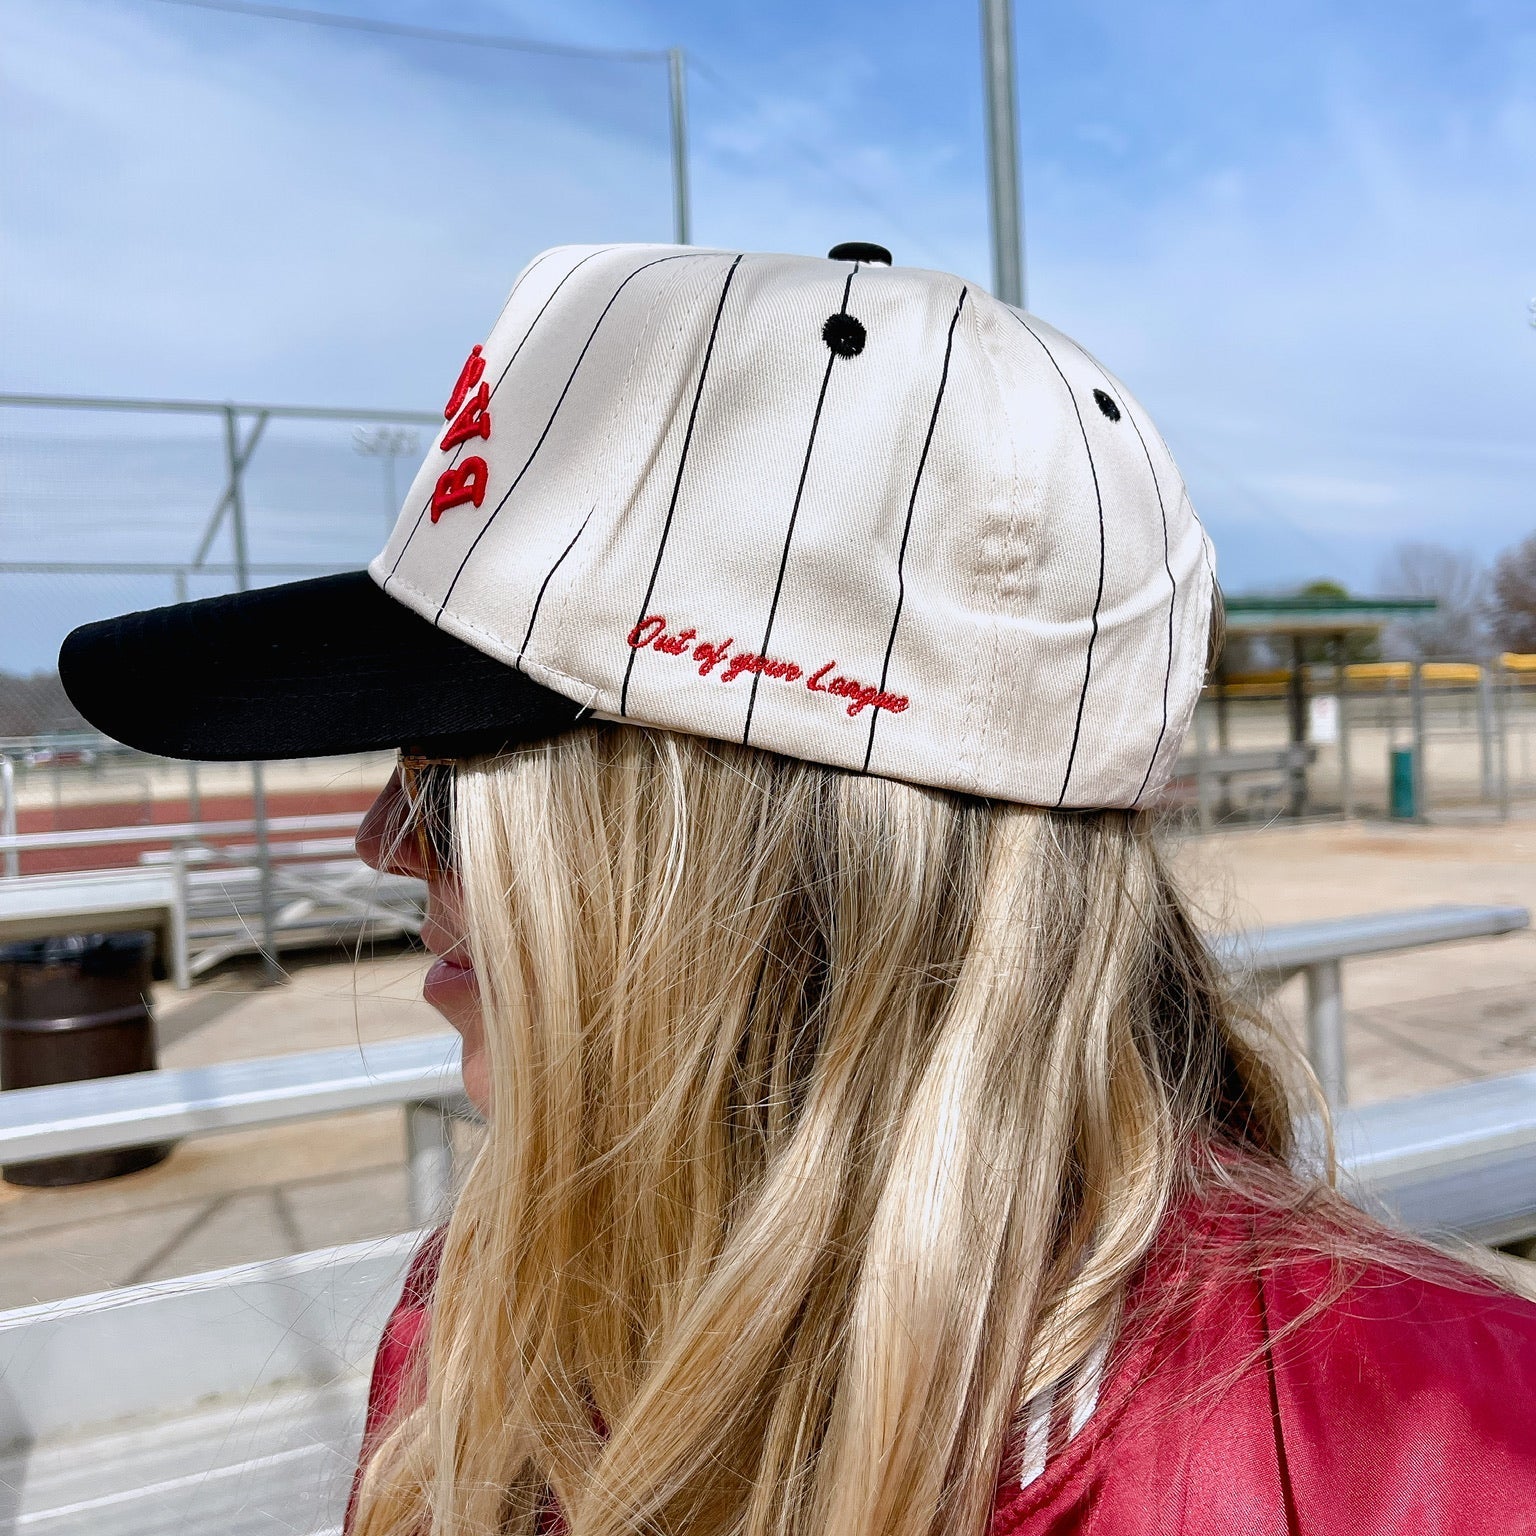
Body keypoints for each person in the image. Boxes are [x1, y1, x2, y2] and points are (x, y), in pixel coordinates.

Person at [61, 241, 1536, 1536]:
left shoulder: (1439, 1455)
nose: (382, 843)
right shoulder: (480, 1329)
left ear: (775, 851)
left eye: (451, 774)